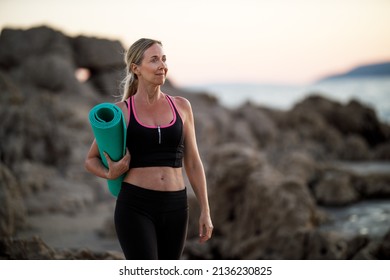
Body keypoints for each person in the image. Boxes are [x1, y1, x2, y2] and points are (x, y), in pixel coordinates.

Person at [84, 38, 213, 259]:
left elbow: (192, 161)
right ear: (136, 69)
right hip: (136, 206)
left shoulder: (182, 107)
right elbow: (90, 160)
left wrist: (205, 211)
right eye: (154, 60)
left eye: (163, 59)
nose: (162, 65)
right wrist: (109, 173)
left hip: (176, 207)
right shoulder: (122, 111)